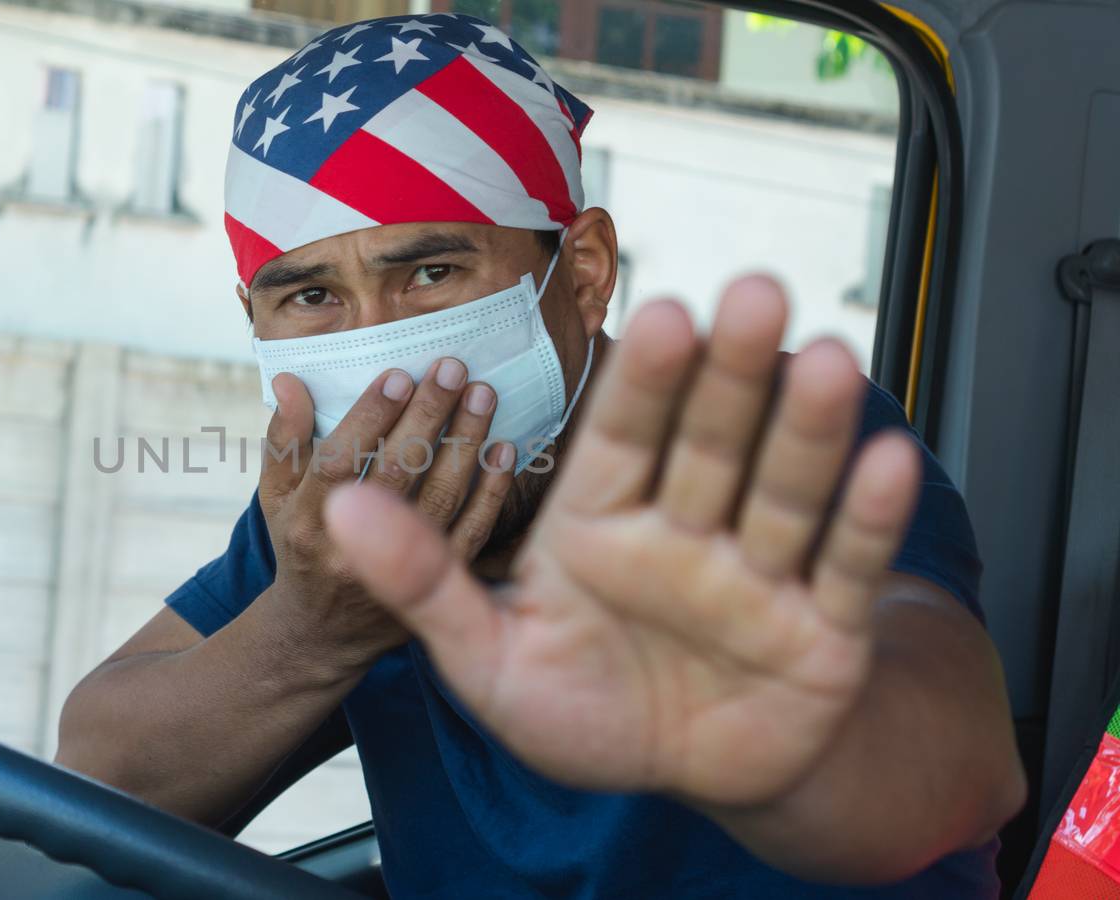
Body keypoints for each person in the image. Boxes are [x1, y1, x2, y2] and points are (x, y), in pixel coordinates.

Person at [57, 13, 1024, 897]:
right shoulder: (344, 516)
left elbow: (949, 742)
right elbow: (98, 774)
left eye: (432, 272)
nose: (383, 352)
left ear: (586, 275)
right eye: (311, 298)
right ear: (255, 320)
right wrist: (317, 632)